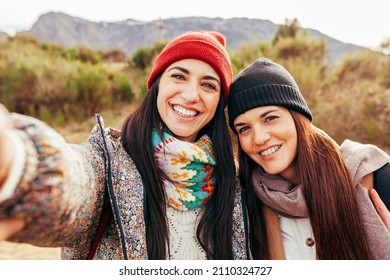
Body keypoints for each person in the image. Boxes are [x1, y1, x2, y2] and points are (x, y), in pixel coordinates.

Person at [0, 31, 249, 260]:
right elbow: (75, 182)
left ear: (219, 102)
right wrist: (20, 161)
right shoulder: (110, 163)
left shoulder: (234, 180)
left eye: (208, 85)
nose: (191, 94)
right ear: (157, 85)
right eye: (178, 76)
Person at [227, 57, 390, 259]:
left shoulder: (373, 176)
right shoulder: (245, 203)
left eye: (270, 118)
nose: (259, 138)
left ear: (298, 119)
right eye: (244, 129)